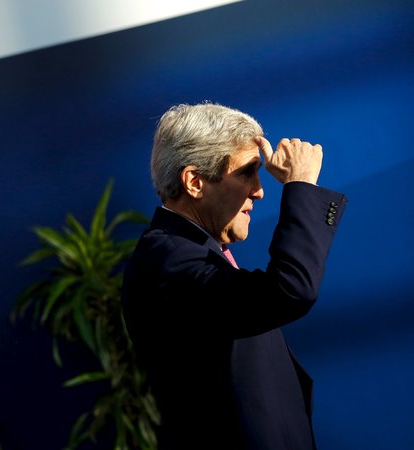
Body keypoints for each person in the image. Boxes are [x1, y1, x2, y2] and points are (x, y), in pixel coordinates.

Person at [121, 102, 347, 449]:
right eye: (246, 173)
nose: (259, 190)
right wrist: (300, 185)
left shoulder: (192, 251)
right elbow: (289, 290)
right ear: (194, 182)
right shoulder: (168, 261)